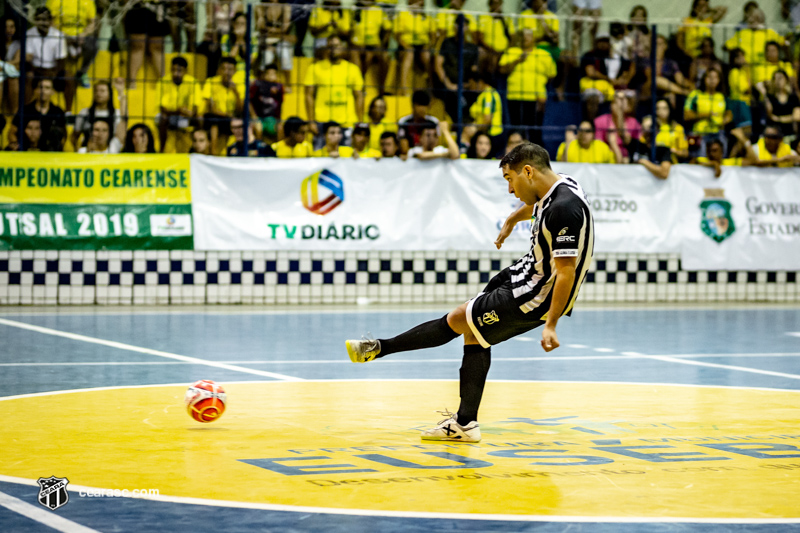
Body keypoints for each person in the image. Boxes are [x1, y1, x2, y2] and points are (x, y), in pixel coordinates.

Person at [345, 142, 595, 443]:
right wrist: (512, 220)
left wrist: (551, 323)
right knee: (475, 331)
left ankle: (378, 348)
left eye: (509, 179)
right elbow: (536, 204)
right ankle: (465, 423)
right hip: (525, 273)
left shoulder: (564, 209)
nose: (510, 190)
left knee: (460, 318)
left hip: (535, 295)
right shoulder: (560, 183)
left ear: (527, 171)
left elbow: (566, 271)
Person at [499, 28, 555, 145]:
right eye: (523, 36)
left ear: (534, 38)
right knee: (516, 128)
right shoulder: (511, 52)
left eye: (528, 36)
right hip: (515, 96)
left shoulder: (544, 55)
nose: (525, 38)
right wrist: (517, 60)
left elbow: (552, 75)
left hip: (536, 98)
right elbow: (502, 70)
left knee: (534, 130)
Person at [304, 36, 365, 137]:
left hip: (347, 123)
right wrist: (311, 121)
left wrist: (360, 121)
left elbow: (359, 96)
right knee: (320, 153)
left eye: (336, 45)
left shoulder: (353, 69)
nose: (333, 49)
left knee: (346, 153)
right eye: (330, 46)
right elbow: (308, 95)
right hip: (322, 122)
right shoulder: (314, 68)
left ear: (343, 47)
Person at [46, 0, 98, 107]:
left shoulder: (88, 1)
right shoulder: (54, 1)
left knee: (93, 45)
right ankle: (55, 75)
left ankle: (82, 72)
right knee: (53, 41)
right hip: (60, 34)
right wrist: (62, 35)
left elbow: (92, 22)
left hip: (81, 35)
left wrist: (83, 34)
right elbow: (50, 22)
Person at [579, 33, 635, 121]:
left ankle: (629, 126)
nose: (603, 44)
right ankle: (591, 126)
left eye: (606, 41)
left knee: (631, 95)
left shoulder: (618, 57)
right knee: (593, 96)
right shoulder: (590, 55)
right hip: (596, 87)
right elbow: (590, 72)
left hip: (614, 89)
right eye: (600, 41)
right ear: (596, 42)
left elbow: (628, 70)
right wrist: (608, 79)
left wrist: (623, 80)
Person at [158, 56, 202, 153]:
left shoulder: (193, 82)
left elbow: (195, 108)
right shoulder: (163, 82)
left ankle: (197, 149)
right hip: (170, 116)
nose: (176, 73)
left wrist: (188, 113)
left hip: (185, 117)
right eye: (173, 70)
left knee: (199, 118)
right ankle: (161, 150)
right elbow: (163, 109)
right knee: (162, 118)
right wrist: (179, 111)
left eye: (179, 71)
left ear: (185, 71)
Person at [684, 67, 731, 157]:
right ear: (704, 79)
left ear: (719, 80)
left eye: (715, 77)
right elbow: (687, 115)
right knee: (700, 157)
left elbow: (729, 114)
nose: (712, 80)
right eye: (709, 77)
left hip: (718, 132)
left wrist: (724, 120)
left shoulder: (722, 96)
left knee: (723, 142)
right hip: (700, 133)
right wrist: (706, 115)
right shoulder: (695, 95)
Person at [9, 77, 66, 150]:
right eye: (40, 87)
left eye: (47, 88)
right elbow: (12, 132)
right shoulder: (25, 110)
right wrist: (14, 144)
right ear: (35, 90)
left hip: (49, 154)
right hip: (25, 151)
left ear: (53, 91)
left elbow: (63, 135)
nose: (43, 91)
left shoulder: (58, 111)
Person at [124, 1, 171, 89]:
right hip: (137, 5)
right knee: (137, 47)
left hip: (158, 6)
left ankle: (163, 82)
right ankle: (132, 83)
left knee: (157, 48)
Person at [393, 0, 435, 95]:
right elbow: (396, 35)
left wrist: (427, 46)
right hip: (405, 46)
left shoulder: (427, 18)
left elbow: (433, 37)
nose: (417, 3)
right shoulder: (402, 16)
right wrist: (407, 46)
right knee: (409, 54)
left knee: (427, 56)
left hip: (422, 46)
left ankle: (431, 87)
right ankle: (404, 89)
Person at [203, 57, 243, 155]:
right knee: (214, 122)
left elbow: (240, 110)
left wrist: (236, 92)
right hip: (216, 117)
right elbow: (211, 108)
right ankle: (213, 153)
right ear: (219, 70)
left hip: (231, 120)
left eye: (230, 69)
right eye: (223, 69)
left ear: (235, 71)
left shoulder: (240, 85)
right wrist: (227, 114)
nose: (226, 72)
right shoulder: (211, 82)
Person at [24, 8, 67, 99]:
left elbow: (61, 61)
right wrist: (40, 72)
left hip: (53, 70)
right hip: (35, 70)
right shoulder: (28, 34)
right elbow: (28, 60)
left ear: (50, 21)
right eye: (38, 19)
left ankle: (68, 112)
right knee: (28, 76)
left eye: (44, 19)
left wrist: (53, 73)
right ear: (35, 21)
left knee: (69, 76)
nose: (42, 23)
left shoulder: (58, 35)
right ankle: (26, 110)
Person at [350, 0, 390, 95]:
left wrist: (383, 44)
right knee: (361, 56)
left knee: (384, 56)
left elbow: (388, 29)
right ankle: (359, 87)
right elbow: (347, 30)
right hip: (357, 45)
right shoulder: (354, 10)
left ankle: (382, 89)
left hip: (374, 45)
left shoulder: (379, 10)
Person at [72, 78, 125, 150]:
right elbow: (74, 135)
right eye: (96, 91)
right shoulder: (84, 112)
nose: (98, 93)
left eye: (102, 91)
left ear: (109, 93)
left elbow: (121, 135)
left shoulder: (116, 113)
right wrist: (77, 150)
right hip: (88, 153)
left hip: (109, 153)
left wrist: (121, 92)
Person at [255, 0, 294, 89]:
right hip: (266, 40)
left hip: (280, 40)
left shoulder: (286, 7)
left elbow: (285, 28)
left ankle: (288, 84)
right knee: (267, 58)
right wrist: (277, 31)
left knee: (284, 54)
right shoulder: (260, 7)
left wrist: (271, 31)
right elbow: (260, 26)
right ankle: (262, 84)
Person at [594, 91, 640, 163]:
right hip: (607, 159)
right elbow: (598, 145)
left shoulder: (633, 122)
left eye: (623, 100)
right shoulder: (600, 121)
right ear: (611, 105)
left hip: (628, 159)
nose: (620, 103)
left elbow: (637, 145)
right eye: (617, 100)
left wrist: (620, 116)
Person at [758, 69, 800, 142]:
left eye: (780, 78)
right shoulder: (770, 97)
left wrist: (778, 119)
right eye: (775, 78)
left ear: (786, 80)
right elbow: (769, 113)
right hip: (774, 136)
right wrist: (764, 93)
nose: (778, 81)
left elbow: (797, 116)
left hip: (789, 133)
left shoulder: (792, 97)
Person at [466, 72, 503, 154]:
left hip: (491, 135)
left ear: (479, 82)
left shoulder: (488, 95)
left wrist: (475, 131)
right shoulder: (483, 95)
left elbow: (487, 119)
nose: (470, 87)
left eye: (471, 84)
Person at [249, 64, 284, 140]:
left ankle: (276, 150)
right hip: (259, 118)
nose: (271, 76)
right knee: (258, 128)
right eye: (269, 73)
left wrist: (279, 120)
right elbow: (249, 102)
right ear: (264, 74)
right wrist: (254, 117)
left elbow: (280, 105)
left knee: (280, 128)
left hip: (272, 119)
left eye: (273, 74)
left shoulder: (279, 88)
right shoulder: (256, 85)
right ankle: (258, 148)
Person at [476, 0, 511, 74]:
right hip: (489, 50)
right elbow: (480, 38)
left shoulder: (506, 19)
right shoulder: (484, 17)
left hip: (505, 51)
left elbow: (512, 38)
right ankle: (489, 82)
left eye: (498, 3)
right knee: (492, 58)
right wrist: (492, 50)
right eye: (494, 3)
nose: (496, 6)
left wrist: (507, 50)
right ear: (489, 4)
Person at [2, 18, 22, 116]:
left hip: (10, 70)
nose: (8, 30)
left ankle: (15, 114)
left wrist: (4, 64)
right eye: (5, 27)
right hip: (3, 71)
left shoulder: (19, 43)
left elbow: (18, 61)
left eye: (11, 27)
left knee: (13, 78)